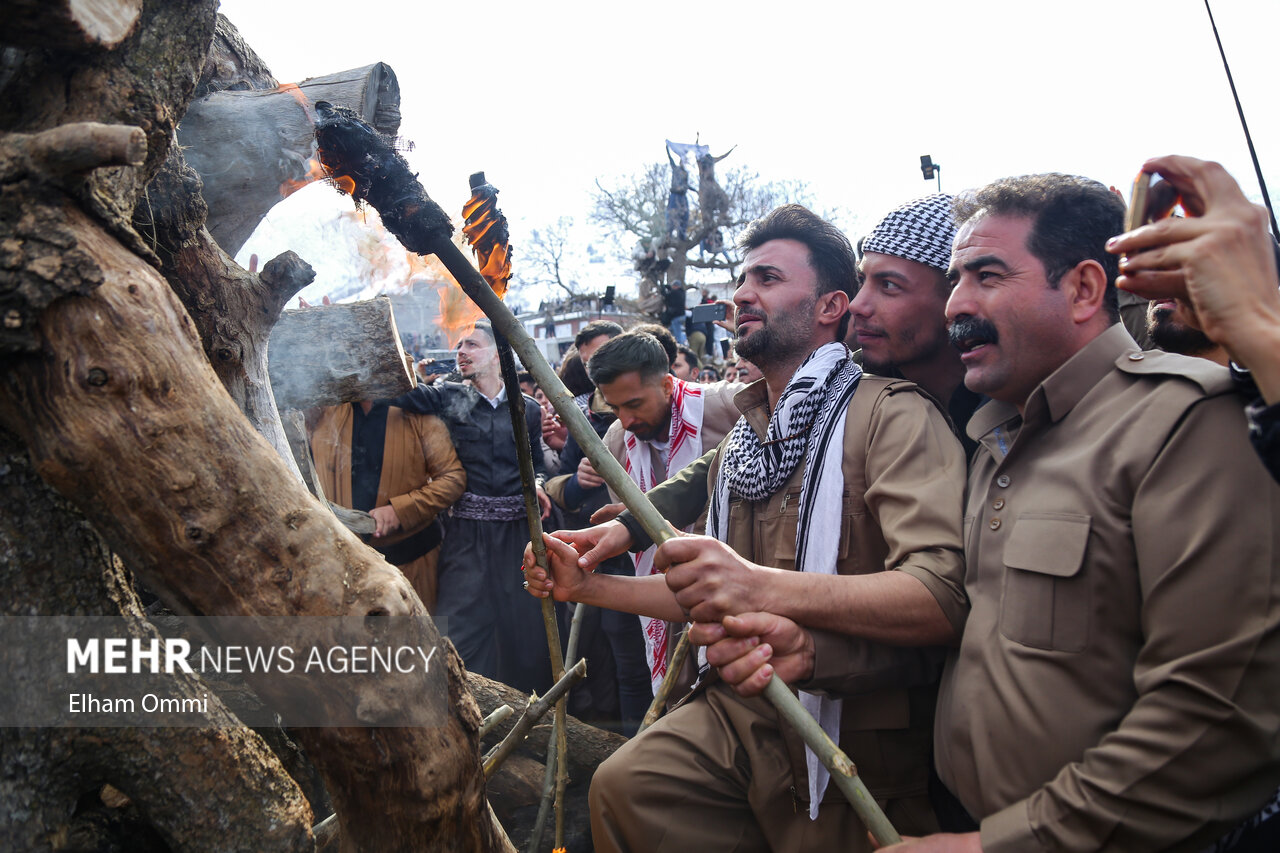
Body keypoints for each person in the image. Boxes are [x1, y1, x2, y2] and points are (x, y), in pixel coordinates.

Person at [710, 174, 1280, 852]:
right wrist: (818, 653)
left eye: (985, 275)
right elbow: (966, 645)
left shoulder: (1184, 421)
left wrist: (1001, 845)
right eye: (953, 279)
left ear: (1085, 289)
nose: (957, 306)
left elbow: (1216, 720)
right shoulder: (996, 439)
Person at [525, 205, 966, 851]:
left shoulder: (890, 417)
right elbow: (717, 591)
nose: (740, 293)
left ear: (827, 306)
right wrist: (586, 585)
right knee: (629, 785)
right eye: (741, 277)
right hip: (740, 710)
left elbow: (942, 597)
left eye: (766, 277)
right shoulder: (743, 441)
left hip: (848, 729)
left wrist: (757, 587)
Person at [580, 330, 742, 706]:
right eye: (615, 407)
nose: (626, 418)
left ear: (669, 384)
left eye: (634, 404)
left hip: (739, 590)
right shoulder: (616, 442)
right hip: (666, 600)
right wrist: (630, 521)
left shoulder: (730, 409)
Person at [393, 320, 553, 694]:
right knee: (459, 635)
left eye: (472, 345)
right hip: (466, 539)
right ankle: (467, 713)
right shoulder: (447, 396)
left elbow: (538, 464)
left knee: (529, 636)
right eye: (458, 345)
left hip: (521, 538)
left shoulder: (526, 409)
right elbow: (397, 395)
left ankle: (534, 721)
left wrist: (541, 485)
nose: (461, 351)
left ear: (498, 355)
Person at [1107, 154, 1280, 482]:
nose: (1170, 280)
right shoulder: (1126, 409)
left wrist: (1253, 330)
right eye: (1161, 262)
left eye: (1195, 267)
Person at [849, 194, 982, 456]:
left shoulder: (1015, 412)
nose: (857, 305)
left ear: (953, 299)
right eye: (862, 281)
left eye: (888, 285)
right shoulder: (846, 401)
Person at [310, 399, 465, 611]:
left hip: (412, 564)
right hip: (345, 564)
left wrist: (400, 511)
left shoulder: (416, 411)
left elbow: (452, 478)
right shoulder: (326, 410)